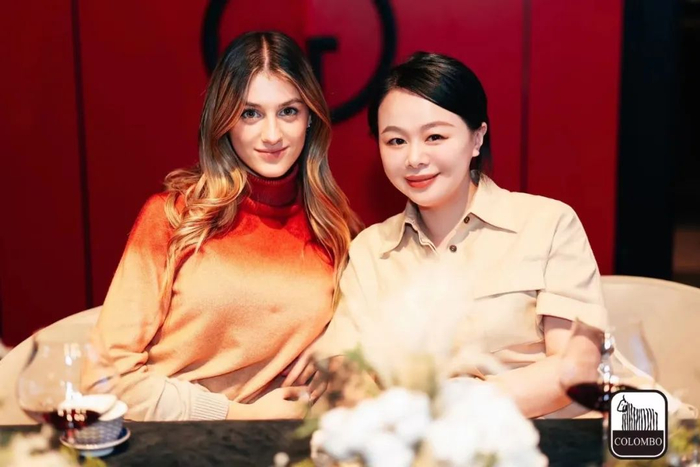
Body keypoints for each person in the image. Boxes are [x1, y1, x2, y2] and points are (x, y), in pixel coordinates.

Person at [317, 52, 605, 418]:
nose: (414, 158)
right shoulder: (371, 250)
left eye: (435, 136)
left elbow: (576, 365)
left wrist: (453, 410)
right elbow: (341, 368)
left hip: (543, 434)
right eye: (396, 141)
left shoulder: (548, 224)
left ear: (477, 138)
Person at [93, 31, 362, 421]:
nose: (272, 135)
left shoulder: (335, 228)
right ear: (224, 121)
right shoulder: (172, 217)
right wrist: (234, 414)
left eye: (289, 111)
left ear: (310, 119)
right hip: (179, 443)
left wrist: (337, 343)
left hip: (288, 444)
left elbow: (370, 343)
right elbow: (103, 378)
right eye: (250, 113)